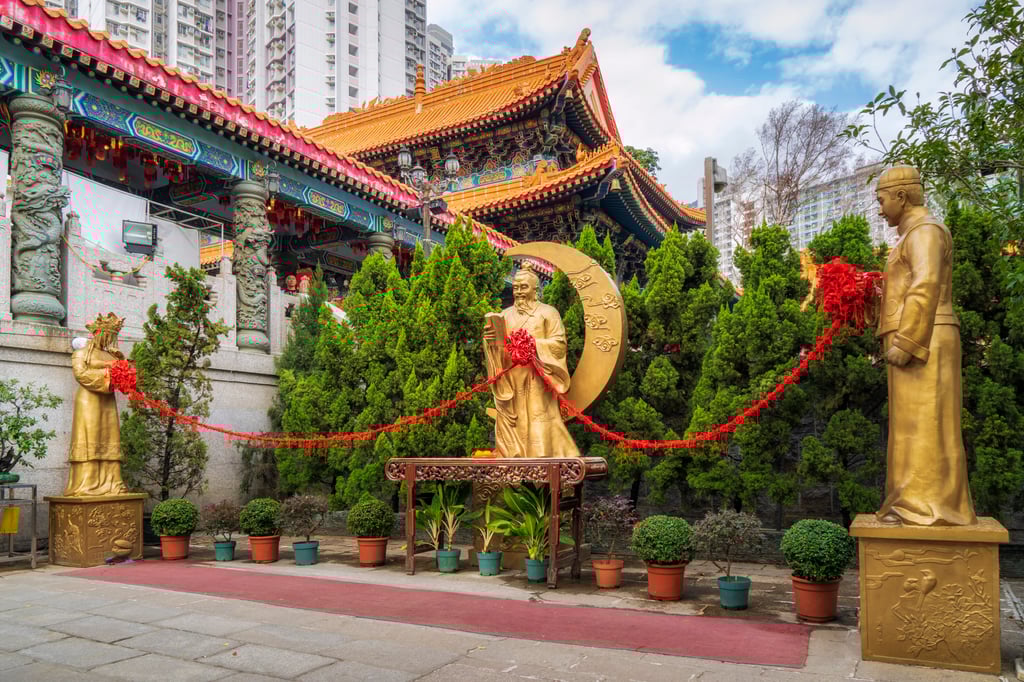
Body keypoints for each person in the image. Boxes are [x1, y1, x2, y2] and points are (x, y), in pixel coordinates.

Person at [873, 166, 976, 526]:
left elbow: (926, 283)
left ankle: (929, 509)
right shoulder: (912, 234)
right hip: (920, 341)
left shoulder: (925, 232)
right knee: (911, 429)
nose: (880, 208)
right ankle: (910, 503)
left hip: (924, 341)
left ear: (902, 196)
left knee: (927, 427)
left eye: (882, 200)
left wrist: (907, 339)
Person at [482, 263, 580, 458]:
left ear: (535, 290)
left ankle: (543, 457)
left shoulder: (548, 313)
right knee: (512, 420)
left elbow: (559, 344)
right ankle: (511, 456)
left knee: (539, 418)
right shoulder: (505, 315)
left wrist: (533, 345)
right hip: (510, 380)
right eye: (516, 287)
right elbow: (498, 350)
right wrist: (491, 342)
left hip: (538, 378)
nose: (519, 292)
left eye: (524, 287)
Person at [63, 312, 130, 497]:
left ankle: (113, 483)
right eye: (108, 335)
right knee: (89, 436)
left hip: (107, 400)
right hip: (89, 399)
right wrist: (109, 376)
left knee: (110, 436)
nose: (110, 339)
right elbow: (81, 374)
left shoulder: (112, 354)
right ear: (99, 332)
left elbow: (125, 372)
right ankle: (86, 484)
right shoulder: (81, 353)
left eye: (113, 336)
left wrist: (124, 374)